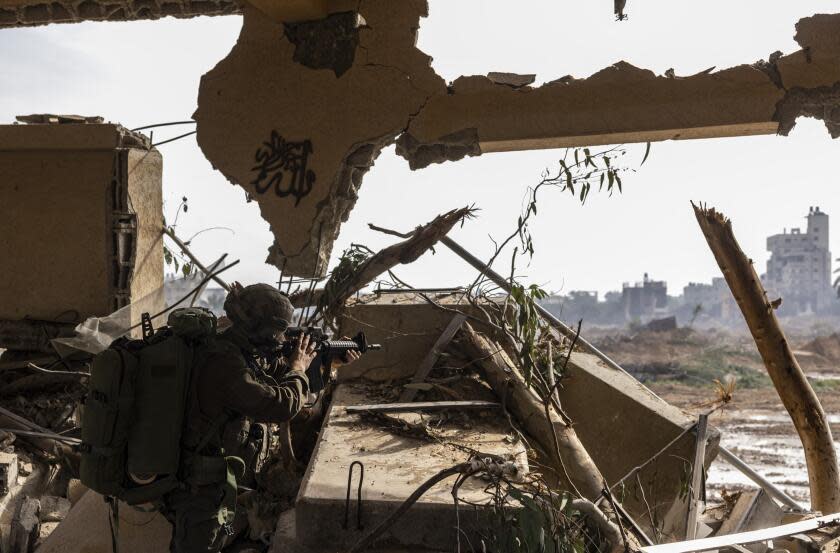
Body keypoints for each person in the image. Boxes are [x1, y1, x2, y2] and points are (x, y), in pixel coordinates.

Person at [161, 282, 356, 552]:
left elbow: (278, 374)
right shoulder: (224, 361)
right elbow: (279, 405)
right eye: (276, 334)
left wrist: (327, 361)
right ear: (259, 330)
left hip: (222, 483)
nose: (280, 340)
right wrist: (299, 367)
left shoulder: (242, 351)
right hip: (201, 489)